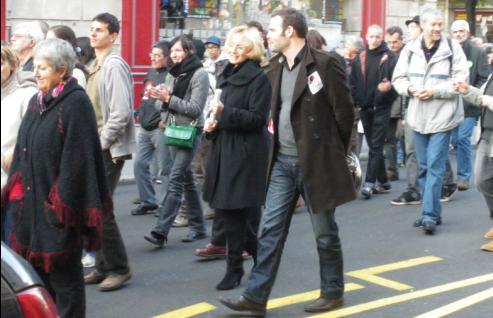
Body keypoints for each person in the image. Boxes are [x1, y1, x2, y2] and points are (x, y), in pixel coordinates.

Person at [219, 9, 355, 316]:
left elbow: (345, 114)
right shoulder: (275, 67)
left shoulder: (324, 63)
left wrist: (335, 155)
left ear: (290, 32)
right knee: (270, 231)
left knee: (324, 232)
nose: (268, 34)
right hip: (281, 162)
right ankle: (256, 296)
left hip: (315, 163)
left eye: (272, 29)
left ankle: (332, 291)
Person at [1, 38, 111, 317]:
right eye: (35, 66)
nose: (35, 73)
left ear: (62, 71)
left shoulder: (75, 103)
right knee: (39, 285)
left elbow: (78, 165)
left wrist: (58, 211)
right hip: (31, 213)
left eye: (43, 67)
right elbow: (24, 153)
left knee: (65, 287)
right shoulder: (38, 102)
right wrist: (16, 196)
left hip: (59, 216)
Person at [203, 25, 271, 290]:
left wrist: (224, 113)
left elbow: (257, 119)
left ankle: (236, 269)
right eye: (232, 44)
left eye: (240, 46)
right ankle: (262, 260)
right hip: (224, 150)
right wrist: (212, 125)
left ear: (252, 50)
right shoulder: (226, 74)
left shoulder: (258, 78)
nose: (233, 50)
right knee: (229, 213)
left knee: (234, 213)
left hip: (245, 154)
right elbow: (219, 113)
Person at [392, 8, 469, 235]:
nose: (437, 28)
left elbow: (460, 79)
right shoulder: (410, 49)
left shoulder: (453, 48)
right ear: (422, 25)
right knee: (424, 167)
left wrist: (434, 91)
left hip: (443, 117)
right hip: (418, 118)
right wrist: (410, 88)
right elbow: (398, 78)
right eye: (433, 25)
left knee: (435, 167)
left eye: (439, 24)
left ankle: (427, 216)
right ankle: (433, 212)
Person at [83, 12, 134, 292]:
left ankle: (118, 268)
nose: (93, 34)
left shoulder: (113, 65)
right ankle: (103, 266)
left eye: (99, 30)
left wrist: (102, 143)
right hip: (96, 147)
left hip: (106, 149)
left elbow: (121, 113)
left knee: (102, 210)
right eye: (91, 30)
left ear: (113, 35)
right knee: (94, 209)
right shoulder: (96, 65)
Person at [144, 35, 209, 246]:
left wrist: (169, 99)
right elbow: (160, 106)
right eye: (172, 51)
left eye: (178, 51)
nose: (174, 54)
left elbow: (195, 109)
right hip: (172, 128)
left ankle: (160, 231)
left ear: (189, 51)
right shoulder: (173, 74)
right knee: (186, 178)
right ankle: (198, 227)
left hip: (190, 130)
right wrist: (160, 97)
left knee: (175, 179)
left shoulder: (200, 74)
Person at [350, 24, 398, 199]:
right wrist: (357, 100)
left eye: (378, 36)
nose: (374, 39)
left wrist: (386, 93)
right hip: (364, 108)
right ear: (366, 36)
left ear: (382, 37)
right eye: (371, 36)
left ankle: (369, 183)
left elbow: (397, 84)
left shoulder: (390, 57)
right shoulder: (360, 58)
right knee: (373, 146)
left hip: (382, 108)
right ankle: (383, 181)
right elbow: (352, 82)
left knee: (376, 146)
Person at [442, 20, 489, 193]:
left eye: (462, 31)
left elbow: (484, 78)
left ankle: (463, 176)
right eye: (455, 32)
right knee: (452, 140)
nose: (458, 34)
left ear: (468, 33)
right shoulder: (445, 52)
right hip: (448, 104)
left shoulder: (478, 52)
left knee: (462, 139)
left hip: (469, 105)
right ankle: (447, 178)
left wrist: (470, 92)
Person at [454, 74, 493, 251]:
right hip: (487, 135)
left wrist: (488, 100)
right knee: (482, 181)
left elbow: (486, 99)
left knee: (486, 181)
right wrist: (467, 90)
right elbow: (482, 96)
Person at [131, 41, 170, 216]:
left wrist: (165, 120)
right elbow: (144, 96)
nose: (153, 58)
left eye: (157, 55)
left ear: (166, 57)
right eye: (151, 54)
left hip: (160, 128)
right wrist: (139, 112)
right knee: (139, 164)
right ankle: (148, 201)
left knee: (164, 168)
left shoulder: (171, 75)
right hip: (145, 127)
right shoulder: (151, 73)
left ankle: (165, 205)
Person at [391, 15, 423, 206]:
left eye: (413, 27)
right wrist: (403, 114)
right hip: (412, 109)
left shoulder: (442, 49)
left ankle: (446, 183)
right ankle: (413, 190)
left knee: (434, 155)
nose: (409, 30)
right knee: (411, 150)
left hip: (434, 112)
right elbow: (401, 83)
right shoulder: (407, 52)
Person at [1, 45, 37, 190]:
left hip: (12, 180)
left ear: (13, 65)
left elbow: (36, 133)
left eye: (1, 63)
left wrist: (16, 149)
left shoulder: (27, 94)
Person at [383, 26, 405, 182]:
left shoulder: (409, 54)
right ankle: (392, 169)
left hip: (405, 104)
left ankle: (414, 172)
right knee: (389, 140)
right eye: (389, 42)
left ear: (401, 40)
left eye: (395, 42)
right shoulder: (386, 56)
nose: (392, 45)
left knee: (405, 139)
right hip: (390, 106)